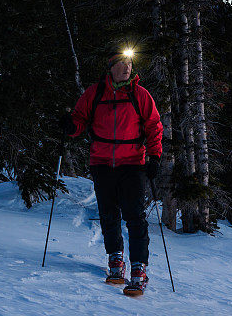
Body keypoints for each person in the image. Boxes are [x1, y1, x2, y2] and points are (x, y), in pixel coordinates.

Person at [60, 49, 163, 296]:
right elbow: (80, 120)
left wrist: (155, 156)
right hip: (102, 162)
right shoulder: (94, 93)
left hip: (133, 164)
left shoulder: (141, 95)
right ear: (112, 68)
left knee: (135, 215)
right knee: (108, 213)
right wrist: (70, 126)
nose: (127, 67)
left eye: (129, 63)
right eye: (122, 64)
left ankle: (139, 267)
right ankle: (115, 260)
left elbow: (153, 126)